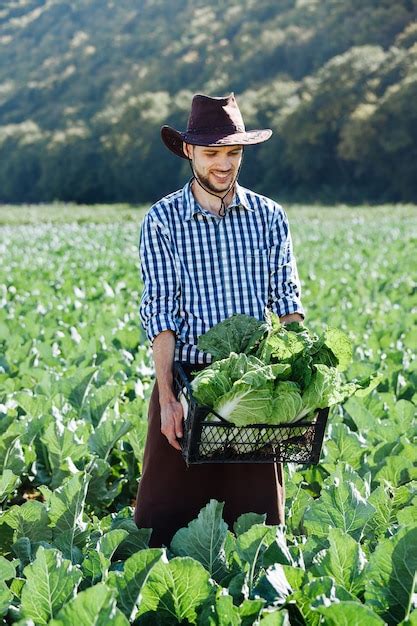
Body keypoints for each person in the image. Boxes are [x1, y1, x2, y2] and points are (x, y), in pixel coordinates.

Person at [134, 93, 304, 547]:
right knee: (162, 527)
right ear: (189, 151)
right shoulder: (164, 220)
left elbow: (287, 301)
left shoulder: (269, 217)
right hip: (187, 384)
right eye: (212, 153)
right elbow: (161, 312)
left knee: (256, 532)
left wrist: (301, 380)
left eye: (233, 152)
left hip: (253, 389)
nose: (224, 164)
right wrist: (167, 397)